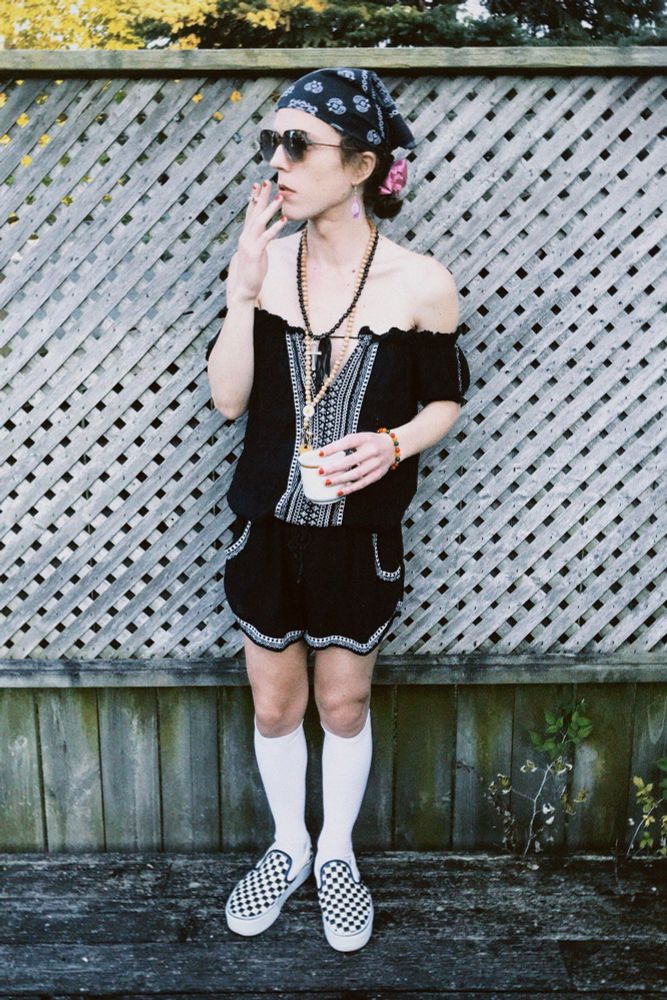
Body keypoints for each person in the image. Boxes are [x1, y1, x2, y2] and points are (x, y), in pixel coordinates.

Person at [205, 67, 470, 952]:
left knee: (343, 703)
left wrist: (391, 444)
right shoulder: (266, 263)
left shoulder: (422, 282)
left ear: (360, 166)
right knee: (276, 707)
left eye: (298, 144)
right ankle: (286, 847)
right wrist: (241, 295)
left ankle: (335, 856)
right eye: (270, 143)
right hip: (266, 526)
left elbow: (445, 402)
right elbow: (229, 402)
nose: (276, 161)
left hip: (360, 534)